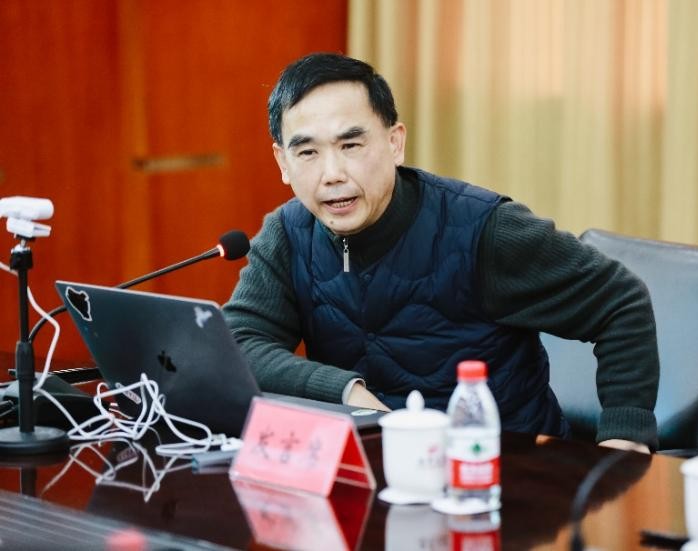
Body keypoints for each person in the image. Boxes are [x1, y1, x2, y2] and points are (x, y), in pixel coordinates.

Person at [223, 53, 660, 453]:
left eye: (351, 145)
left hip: (508, 473)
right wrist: (345, 391)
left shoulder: (482, 228)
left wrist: (625, 438)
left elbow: (620, 303)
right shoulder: (288, 233)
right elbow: (238, 344)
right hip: (375, 469)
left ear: (395, 142)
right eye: (308, 152)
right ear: (283, 163)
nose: (332, 174)